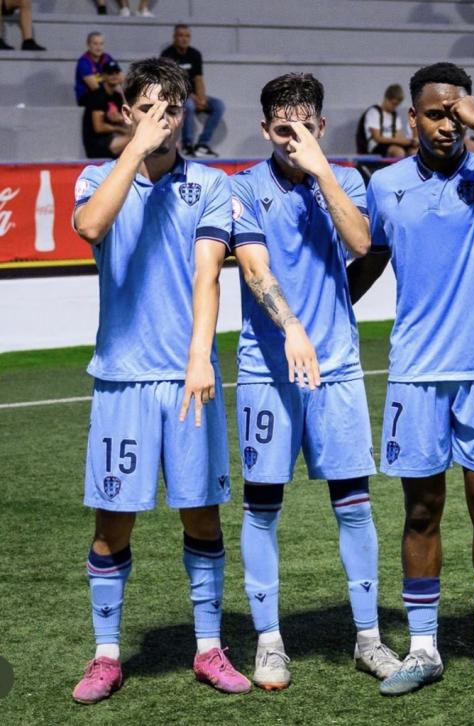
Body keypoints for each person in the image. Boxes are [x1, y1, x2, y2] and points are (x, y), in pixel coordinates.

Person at [347, 61, 474, 696]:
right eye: (436, 113)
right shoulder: (387, 184)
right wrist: (318, 317)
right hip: (416, 375)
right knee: (422, 509)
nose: (447, 124)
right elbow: (369, 262)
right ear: (413, 118)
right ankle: (424, 648)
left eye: (457, 113)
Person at [71, 56, 250, 704]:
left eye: (170, 110)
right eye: (147, 108)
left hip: (187, 381)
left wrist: (200, 356)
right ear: (125, 111)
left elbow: (208, 277)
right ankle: (107, 655)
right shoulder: (97, 177)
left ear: (185, 114)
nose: (161, 121)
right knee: (113, 523)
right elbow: (92, 227)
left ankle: (208, 648)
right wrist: (135, 151)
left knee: (201, 516)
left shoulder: (210, 184)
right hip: (122, 381)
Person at [230, 72, 401, 691]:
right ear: (264, 127)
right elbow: (254, 268)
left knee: (353, 504)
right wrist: (292, 326)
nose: (291, 136)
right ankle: (270, 642)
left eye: (303, 125)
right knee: (264, 508)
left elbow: (361, 242)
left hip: (339, 369)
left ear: (321, 126)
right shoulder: (243, 188)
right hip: (266, 372)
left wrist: (320, 166)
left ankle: (368, 639)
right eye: (281, 126)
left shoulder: (347, 178)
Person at [161, 24, 225, 157]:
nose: (184, 39)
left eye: (187, 36)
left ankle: (202, 144)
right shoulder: (167, 55)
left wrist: (201, 98)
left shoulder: (195, 54)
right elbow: (170, 83)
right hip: (175, 95)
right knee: (188, 105)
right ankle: (187, 145)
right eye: (181, 35)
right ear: (174, 37)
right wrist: (193, 97)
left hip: (194, 95)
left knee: (219, 105)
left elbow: (198, 79)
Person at [82, 61, 131, 159]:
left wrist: (123, 86)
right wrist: (120, 129)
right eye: (110, 73)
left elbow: (127, 117)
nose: (114, 76)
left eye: (116, 73)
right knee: (137, 139)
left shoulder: (117, 96)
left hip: (114, 137)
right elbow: (98, 127)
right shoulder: (97, 96)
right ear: (103, 76)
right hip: (97, 143)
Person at [358, 84, 417, 158]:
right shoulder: (374, 112)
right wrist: (400, 141)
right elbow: (377, 138)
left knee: (414, 151)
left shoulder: (394, 115)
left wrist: (410, 142)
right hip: (376, 146)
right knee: (398, 152)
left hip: (392, 145)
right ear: (386, 98)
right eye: (393, 104)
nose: (394, 107)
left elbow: (397, 135)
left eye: (397, 105)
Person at [75, 32, 117, 107]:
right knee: (99, 96)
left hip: (104, 94)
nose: (99, 47)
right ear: (88, 45)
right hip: (87, 97)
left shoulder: (107, 57)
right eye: (95, 44)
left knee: (121, 96)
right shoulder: (83, 62)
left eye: (101, 44)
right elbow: (94, 86)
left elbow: (120, 77)